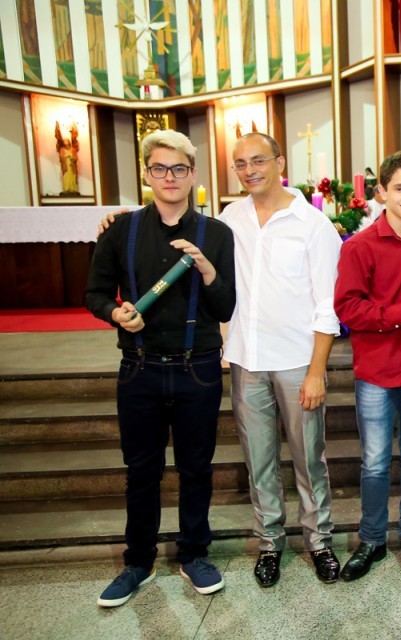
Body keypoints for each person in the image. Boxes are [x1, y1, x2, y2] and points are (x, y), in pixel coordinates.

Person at [86, 130, 236, 607]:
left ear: (193, 174)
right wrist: (115, 313)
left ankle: (194, 555)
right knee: (141, 471)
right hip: (140, 368)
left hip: (198, 368)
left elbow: (226, 305)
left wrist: (209, 272)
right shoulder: (120, 230)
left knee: (196, 468)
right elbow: (94, 293)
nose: (169, 177)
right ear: (147, 175)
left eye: (179, 168)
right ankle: (139, 562)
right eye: (159, 168)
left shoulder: (217, 234)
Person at [219, 132, 343, 588]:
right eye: (240, 163)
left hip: (297, 362)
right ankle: (270, 542)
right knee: (259, 460)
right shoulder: (229, 219)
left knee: (309, 459)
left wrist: (317, 371)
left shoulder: (313, 224)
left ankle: (319, 541)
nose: (249, 170)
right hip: (247, 360)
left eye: (258, 160)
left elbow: (327, 304)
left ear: (279, 162)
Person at [334, 151, 401, 582]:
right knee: (375, 462)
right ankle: (372, 540)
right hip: (377, 371)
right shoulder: (360, 246)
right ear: (381, 192)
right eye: (399, 188)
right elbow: (347, 309)